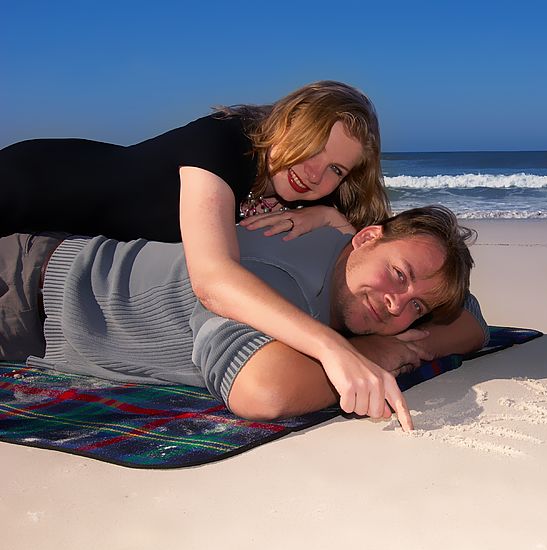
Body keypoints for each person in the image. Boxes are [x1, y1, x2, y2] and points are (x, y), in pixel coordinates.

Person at [0, 80, 487, 421]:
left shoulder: (309, 209)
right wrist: (350, 351)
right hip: (27, 201)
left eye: (337, 171)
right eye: (399, 276)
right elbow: (218, 289)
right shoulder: (222, 149)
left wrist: (392, 337)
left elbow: (468, 318)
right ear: (289, 121)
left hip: (64, 253)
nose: (318, 174)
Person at [0, 206, 484, 430]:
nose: (397, 304)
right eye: (398, 274)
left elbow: (472, 323)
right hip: (27, 289)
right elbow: (263, 391)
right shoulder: (280, 272)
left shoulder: (348, 281)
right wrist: (368, 353)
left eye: (417, 306)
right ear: (364, 238)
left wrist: (407, 345)